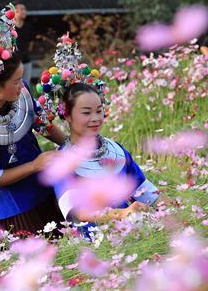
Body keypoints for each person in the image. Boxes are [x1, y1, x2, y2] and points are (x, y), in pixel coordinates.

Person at [0, 5, 68, 235]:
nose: (22, 85)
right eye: (16, 81)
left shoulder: (21, 94)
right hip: (7, 202)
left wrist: (72, 145)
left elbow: (41, 124)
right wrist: (34, 165)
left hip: (38, 184)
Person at [52, 83, 162, 227]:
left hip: (130, 229)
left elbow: (145, 190)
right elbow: (78, 212)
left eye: (99, 111)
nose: (96, 118)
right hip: (95, 240)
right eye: (86, 113)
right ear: (68, 115)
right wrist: (121, 214)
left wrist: (178, 208)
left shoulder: (116, 150)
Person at [13, 1, 35, 82]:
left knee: (26, 86)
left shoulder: (28, 27)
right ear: (15, 11)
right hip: (13, 63)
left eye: (25, 9)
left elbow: (31, 43)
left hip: (26, 61)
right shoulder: (10, 27)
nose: (25, 11)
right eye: (22, 9)